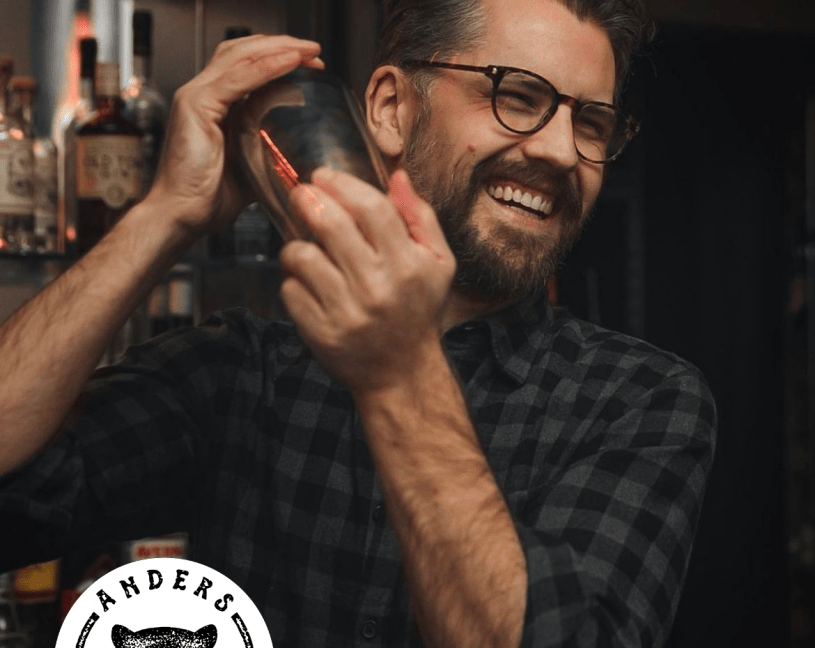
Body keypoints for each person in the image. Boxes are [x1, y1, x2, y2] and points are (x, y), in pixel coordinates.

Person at [0, 0, 716, 645]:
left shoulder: (643, 402)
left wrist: (401, 372)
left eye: (591, 123)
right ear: (391, 108)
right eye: (517, 96)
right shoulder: (242, 371)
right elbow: (19, 500)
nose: (561, 151)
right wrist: (164, 215)